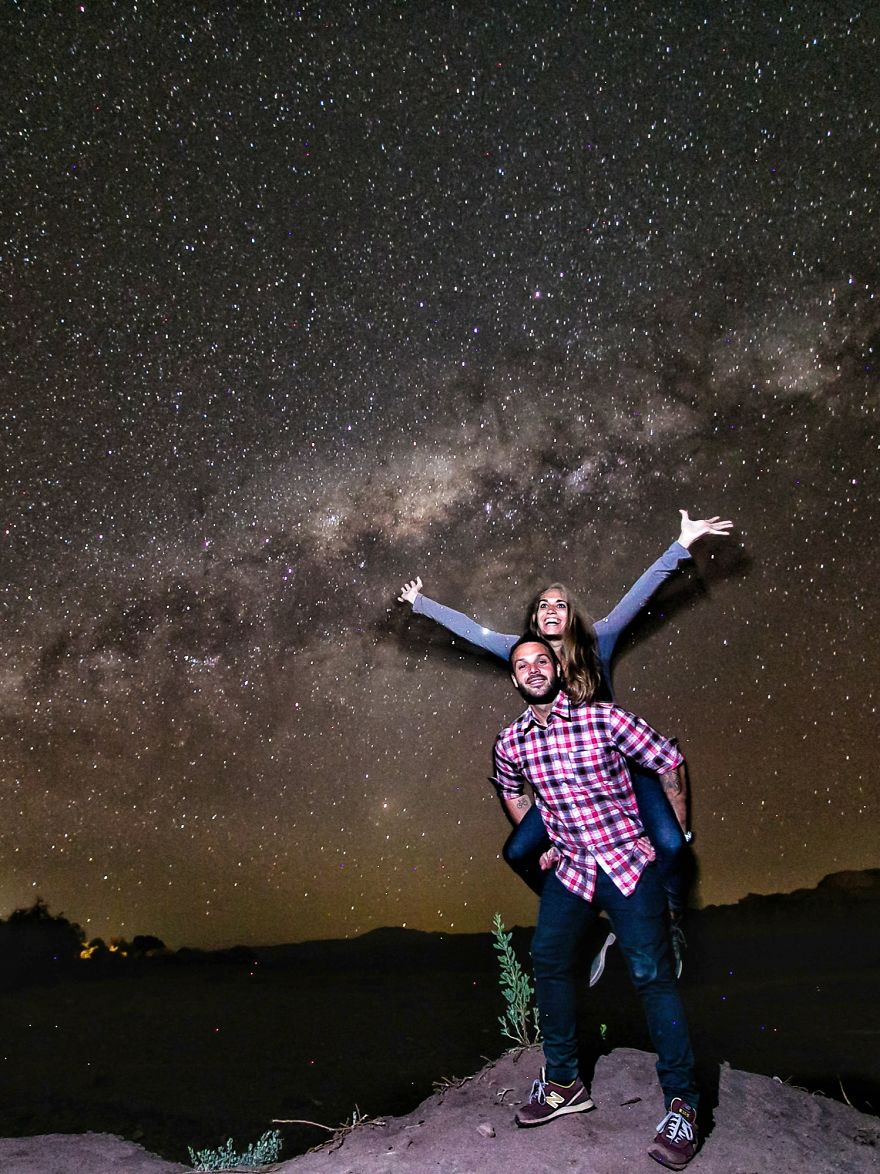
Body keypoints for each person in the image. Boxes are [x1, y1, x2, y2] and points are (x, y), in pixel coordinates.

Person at [398, 509, 732, 977]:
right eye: (543, 607)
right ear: (534, 620)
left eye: (560, 605)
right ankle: (594, 919)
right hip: (564, 784)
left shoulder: (601, 639)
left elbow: (639, 596)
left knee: (674, 848)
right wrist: (422, 604)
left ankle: (669, 921)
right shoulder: (522, 653)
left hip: (617, 770)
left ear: (571, 615)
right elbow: (475, 631)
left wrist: (682, 543)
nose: (551, 611)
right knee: (518, 852)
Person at [495, 635, 700, 1169]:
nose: (534, 670)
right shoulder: (512, 741)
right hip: (573, 869)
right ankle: (564, 1083)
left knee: (652, 975)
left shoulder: (604, 719)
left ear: (557, 669)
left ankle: (684, 1105)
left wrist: (675, 831)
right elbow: (512, 789)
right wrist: (538, 844)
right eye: (523, 665)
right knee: (548, 960)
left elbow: (667, 759)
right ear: (515, 680)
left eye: (543, 660)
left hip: (627, 864)